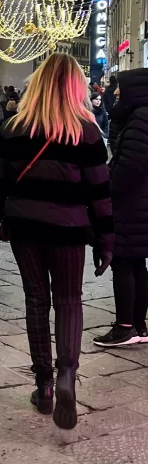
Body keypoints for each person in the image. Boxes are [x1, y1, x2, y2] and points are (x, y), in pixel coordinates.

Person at [0, 53, 113, 430]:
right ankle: (67, 374)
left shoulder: (13, 128)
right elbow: (101, 195)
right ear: (75, 88)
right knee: (69, 300)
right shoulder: (86, 132)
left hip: (24, 227)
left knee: (36, 300)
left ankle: (44, 386)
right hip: (69, 229)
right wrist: (105, 241)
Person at [93, 68, 148, 347]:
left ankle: (125, 326)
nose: (115, 93)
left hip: (132, 205)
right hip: (139, 204)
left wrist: (107, 184)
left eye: (119, 89)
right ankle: (138, 326)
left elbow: (130, 166)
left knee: (123, 262)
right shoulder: (139, 117)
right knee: (137, 263)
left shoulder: (141, 120)